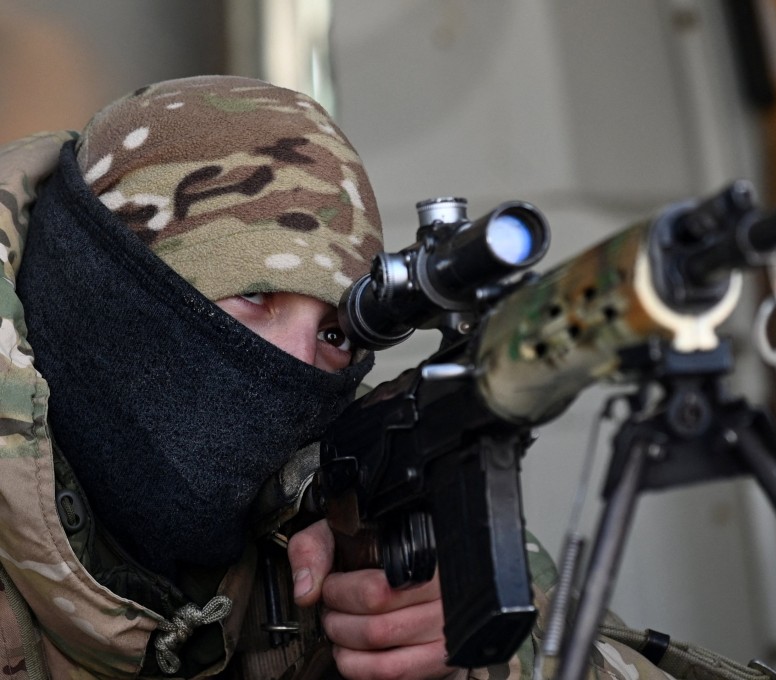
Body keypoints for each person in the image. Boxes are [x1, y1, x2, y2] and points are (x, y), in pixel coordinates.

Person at [0, 75, 724, 680]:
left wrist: (490, 654)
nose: (291, 368)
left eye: (336, 335)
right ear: (100, 291)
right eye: (256, 296)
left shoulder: (337, 530)